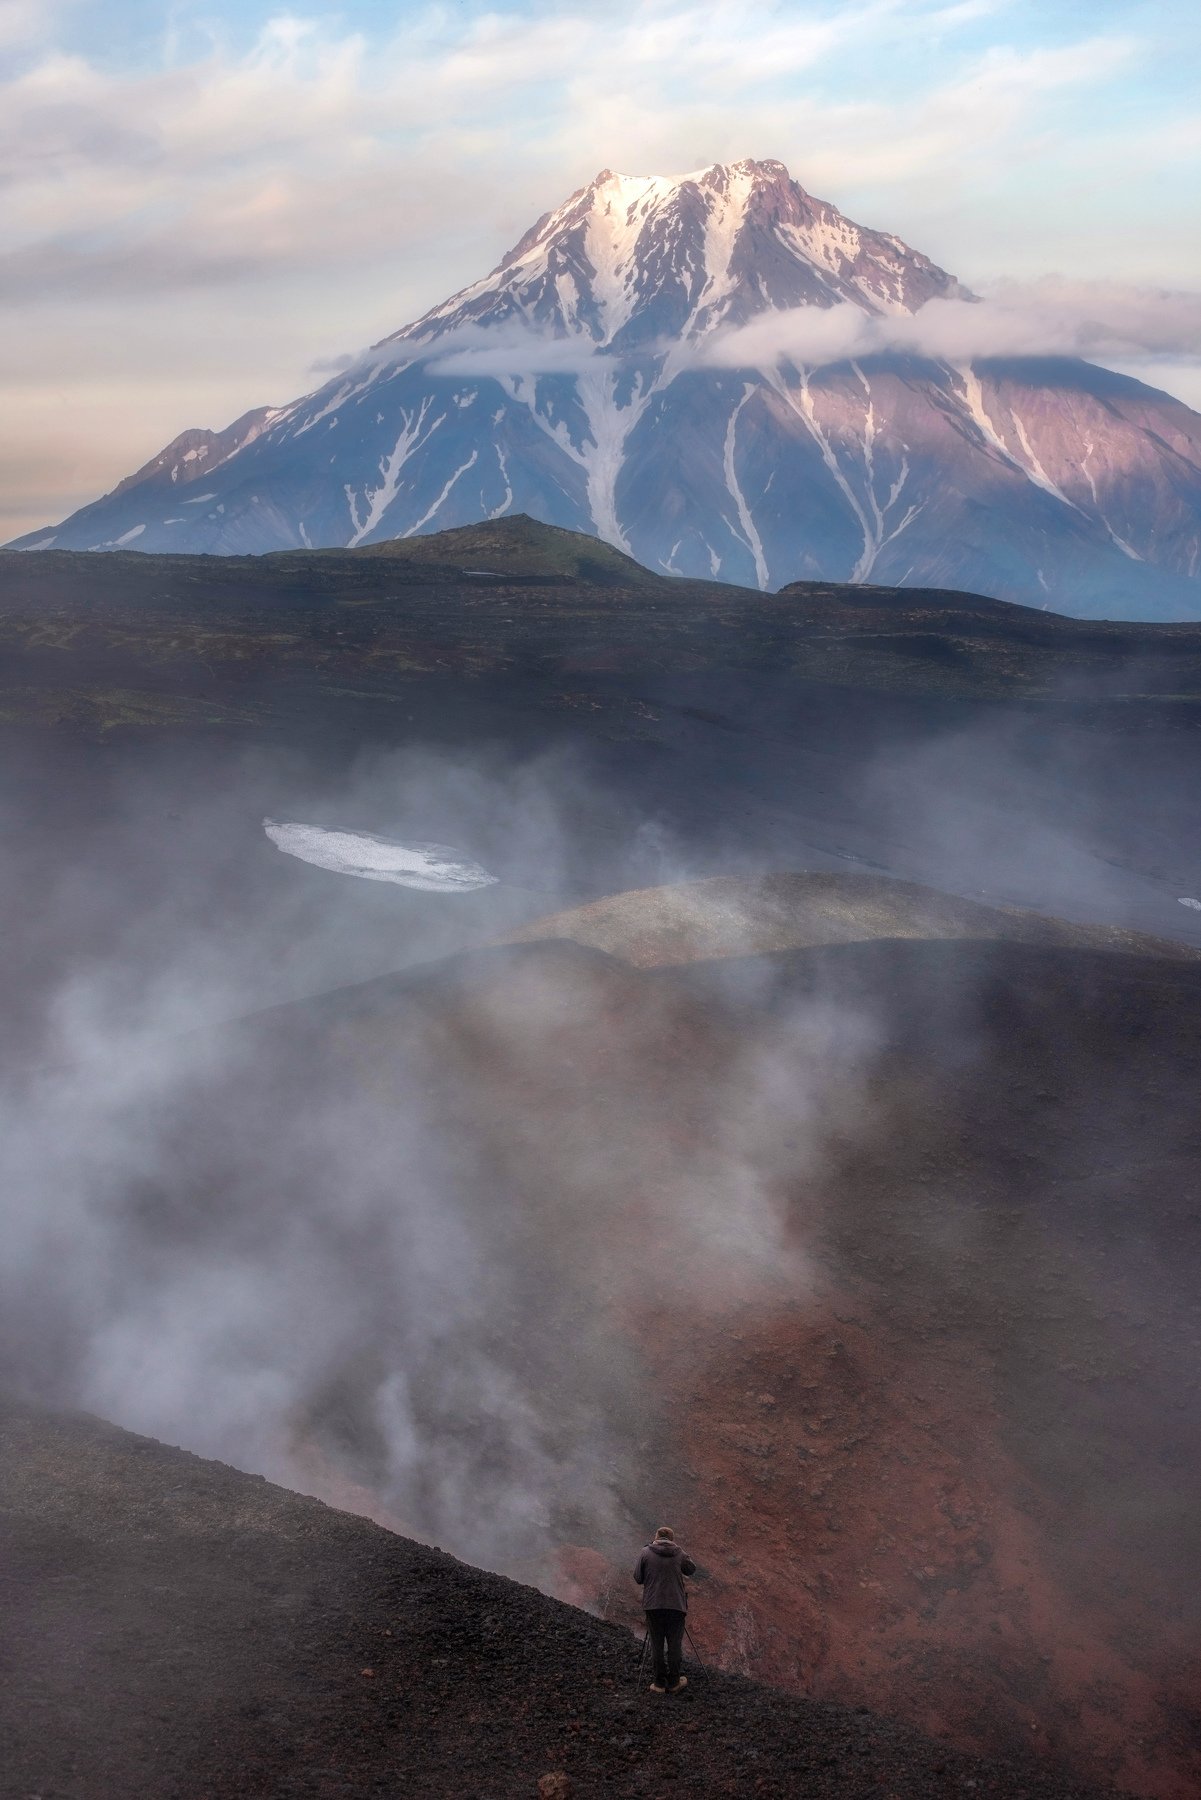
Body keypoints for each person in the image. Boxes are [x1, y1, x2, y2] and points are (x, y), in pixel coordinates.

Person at [634, 1525, 696, 1693]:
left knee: (657, 1644)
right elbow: (691, 1569)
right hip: (676, 1606)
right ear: (672, 1539)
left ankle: (659, 1683)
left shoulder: (645, 1552)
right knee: (674, 1644)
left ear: (656, 1536)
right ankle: (675, 1682)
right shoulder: (679, 1553)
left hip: (653, 1606)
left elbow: (638, 1578)